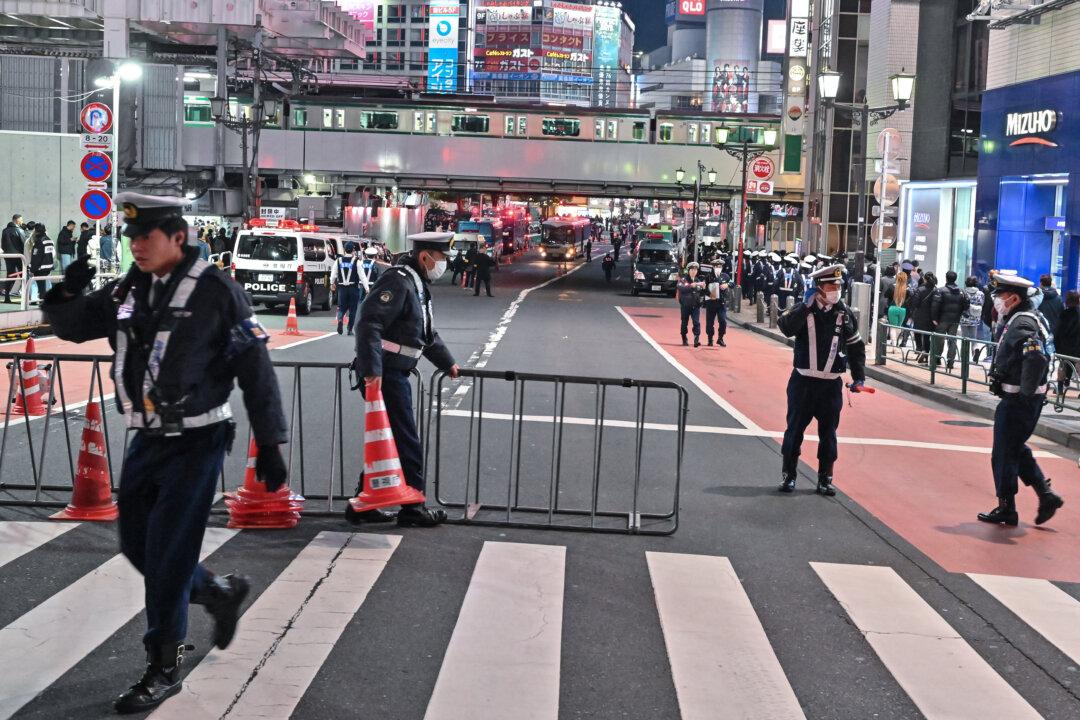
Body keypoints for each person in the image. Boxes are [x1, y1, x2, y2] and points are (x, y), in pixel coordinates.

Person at [41, 192, 289, 713]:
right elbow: (75, 325)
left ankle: (163, 664)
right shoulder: (132, 287)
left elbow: (256, 369)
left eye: (144, 236)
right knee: (136, 547)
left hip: (198, 442)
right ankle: (218, 592)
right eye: (130, 237)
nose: (135, 245)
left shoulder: (219, 292)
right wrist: (66, 289)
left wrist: (270, 441)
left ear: (178, 237)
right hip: (147, 440)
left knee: (169, 557)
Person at [353, 232, 461, 527]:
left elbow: (425, 334)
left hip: (392, 371)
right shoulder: (398, 280)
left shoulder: (416, 283)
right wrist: (371, 370)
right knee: (406, 440)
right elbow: (368, 322)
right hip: (385, 373)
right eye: (442, 258)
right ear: (426, 256)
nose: (445, 265)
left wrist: (447, 361)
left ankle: (363, 504)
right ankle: (413, 507)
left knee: (388, 439)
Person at [978, 274, 1064, 527]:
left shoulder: (1022, 323)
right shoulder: (1029, 317)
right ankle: (1045, 495)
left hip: (1018, 401)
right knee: (1014, 447)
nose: (996, 301)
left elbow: (1035, 357)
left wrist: (1025, 393)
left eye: (999, 296)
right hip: (1024, 399)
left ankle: (1007, 508)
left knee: (1003, 453)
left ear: (1013, 298)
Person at [777, 264, 867, 495]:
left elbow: (857, 348)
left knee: (829, 434)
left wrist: (859, 378)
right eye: (831, 285)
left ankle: (825, 478)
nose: (836, 290)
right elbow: (786, 328)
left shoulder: (844, 314)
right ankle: (789, 476)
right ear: (819, 287)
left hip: (830, 385)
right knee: (794, 431)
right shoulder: (804, 309)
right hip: (803, 383)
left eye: (838, 285)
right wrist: (803, 309)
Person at [930, 270, 969, 370]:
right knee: (952, 340)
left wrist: (934, 318)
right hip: (955, 320)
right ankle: (950, 362)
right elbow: (966, 304)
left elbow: (935, 305)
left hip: (942, 320)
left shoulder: (940, 290)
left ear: (946, 278)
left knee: (939, 340)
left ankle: (937, 359)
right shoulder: (962, 291)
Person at [332, 242, 363, 336]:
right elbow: (362, 276)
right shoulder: (357, 261)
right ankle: (349, 329)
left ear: (344, 250)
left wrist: (331, 283)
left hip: (342, 288)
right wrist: (366, 288)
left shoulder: (338, 260)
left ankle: (340, 319)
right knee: (353, 310)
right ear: (353, 250)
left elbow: (333, 274)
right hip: (353, 288)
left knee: (341, 307)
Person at [1054, 291, 1080, 395]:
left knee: (1063, 366)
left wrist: (1057, 346)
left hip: (1064, 347)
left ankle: (1060, 388)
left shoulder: (1064, 314)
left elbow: (1058, 332)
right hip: (1078, 347)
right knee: (1078, 367)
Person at [908, 271, 937, 363]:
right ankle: (926, 353)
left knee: (917, 333)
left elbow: (915, 303)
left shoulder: (920, 289)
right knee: (927, 336)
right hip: (931, 316)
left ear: (924, 279)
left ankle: (919, 349)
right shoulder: (936, 290)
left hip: (920, 315)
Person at [959, 276, 989, 363]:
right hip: (975, 318)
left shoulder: (963, 292)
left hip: (964, 318)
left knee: (964, 338)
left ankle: (964, 358)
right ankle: (976, 348)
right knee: (973, 337)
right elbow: (982, 304)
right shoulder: (980, 294)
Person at [677, 262, 705, 347]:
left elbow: (702, 292)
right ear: (688, 270)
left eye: (695, 270)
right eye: (692, 270)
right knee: (684, 322)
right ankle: (684, 337)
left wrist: (704, 288)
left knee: (696, 322)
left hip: (695, 305)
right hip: (685, 305)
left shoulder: (698, 281)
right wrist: (690, 286)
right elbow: (680, 287)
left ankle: (696, 339)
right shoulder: (683, 279)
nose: (694, 271)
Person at [704, 262, 731, 347]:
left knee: (723, 321)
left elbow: (732, 283)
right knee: (710, 322)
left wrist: (727, 284)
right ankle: (710, 338)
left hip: (721, 303)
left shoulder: (725, 276)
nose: (718, 268)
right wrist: (709, 294)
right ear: (713, 267)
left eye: (720, 266)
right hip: (711, 302)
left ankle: (720, 338)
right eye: (716, 266)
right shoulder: (708, 276)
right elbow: (704, 289)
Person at [27, 223, 55, 303]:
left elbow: (36, 257)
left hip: (40, 268)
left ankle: (43, 302)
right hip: (48, 266)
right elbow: (52, 253)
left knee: (41, 286)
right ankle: (44, 300)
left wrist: (32, 270)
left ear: (36, 231)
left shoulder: (39, 241)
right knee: (44, 285)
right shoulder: (49, 240)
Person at [2, 213, 26, 303]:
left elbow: (3, 244)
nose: (22, 221)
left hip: (8, 256)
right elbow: (24, 244)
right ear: (17, 220)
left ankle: (7, 297)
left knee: (10, 275)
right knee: (24, 275)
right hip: (19, 257)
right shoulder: (19, 230)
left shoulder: (4, 230)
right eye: (21, 220)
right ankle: (26, 298)